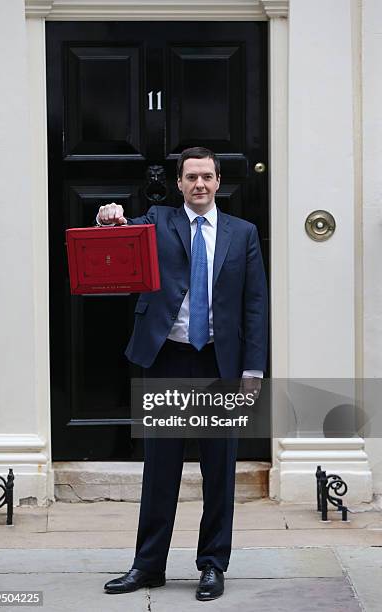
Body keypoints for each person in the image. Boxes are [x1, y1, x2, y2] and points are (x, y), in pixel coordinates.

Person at [97, 147, 268, 601]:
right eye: (191, 177)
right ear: (179, 183)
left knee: (218, 471)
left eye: (207, 177)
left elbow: (255, 305)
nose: (199, 184)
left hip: (219, 362)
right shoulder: (158, 220)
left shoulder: (243, 233)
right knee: (161, 469)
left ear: (218, 182)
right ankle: (148, 565)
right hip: (168, 359)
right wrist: (109, 216)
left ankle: (212, 564)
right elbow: (120, 235)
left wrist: (253, 368)